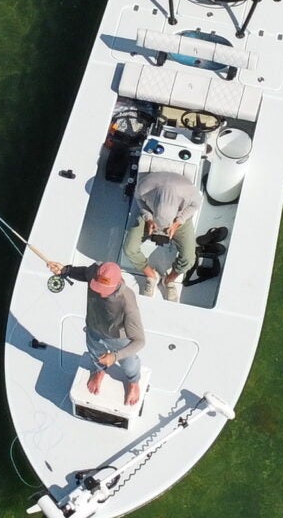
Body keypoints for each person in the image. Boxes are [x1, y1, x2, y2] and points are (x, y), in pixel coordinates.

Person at [51, 260, 146, 407]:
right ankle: (100, 371)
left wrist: (115, 356)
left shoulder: (128, 303)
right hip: (93, 326)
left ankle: (133, 382)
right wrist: (66, 270)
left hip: (118, 337)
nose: (99, 291)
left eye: (104, 289)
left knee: (129, 363)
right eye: (97, 285)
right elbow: (84, 273)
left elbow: (140, 340)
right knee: (95, 353)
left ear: (117, 283)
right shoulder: (95, 270)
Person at [122, 170, 201, 301]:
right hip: (152, 216)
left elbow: (196, 204)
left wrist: (178, 222)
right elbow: (138, 199)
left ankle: (169, 280)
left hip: (178, 219)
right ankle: (151, 275)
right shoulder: (143, 188)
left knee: (189, 258)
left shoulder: (190, 193)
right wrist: (148, 218)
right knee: (129, 248)